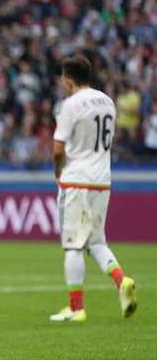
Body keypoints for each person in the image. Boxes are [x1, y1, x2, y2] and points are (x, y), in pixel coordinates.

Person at [49, 55, 137, 322]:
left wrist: (58, 172)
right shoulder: (107, 101)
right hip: (102, 179)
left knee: (73, 246)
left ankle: (76, 308)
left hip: (76, 179)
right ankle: (121, 280)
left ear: (68, 79)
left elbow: (57, 148)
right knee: (97, 241)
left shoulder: (70, 104)